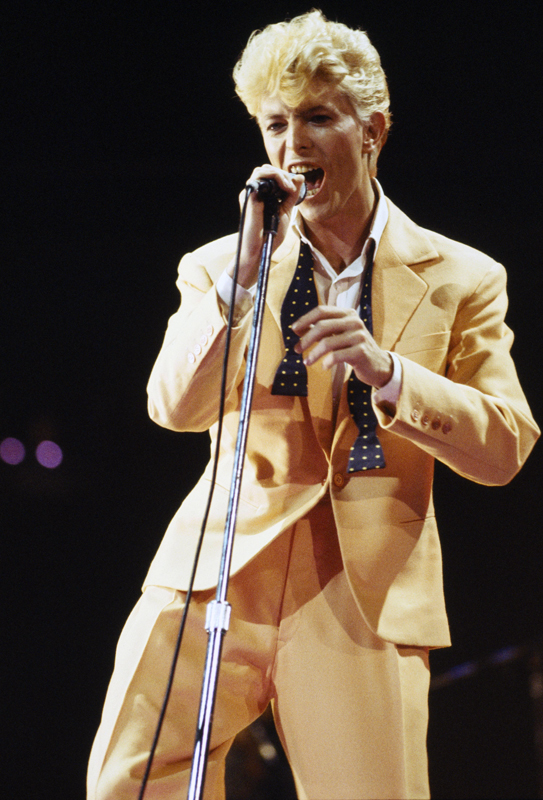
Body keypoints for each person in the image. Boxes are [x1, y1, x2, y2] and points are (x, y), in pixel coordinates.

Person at [87, 10, 539, 800]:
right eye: (274, 123)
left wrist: (389, 373)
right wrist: (241, 280)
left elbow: (504, 447)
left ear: (373, 133)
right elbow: (173, 407)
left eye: (317, 118)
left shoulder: (462, 277)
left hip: (362, 594)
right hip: (217, 573)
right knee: (129, 783)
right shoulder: (220, 266)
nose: (292, 143)